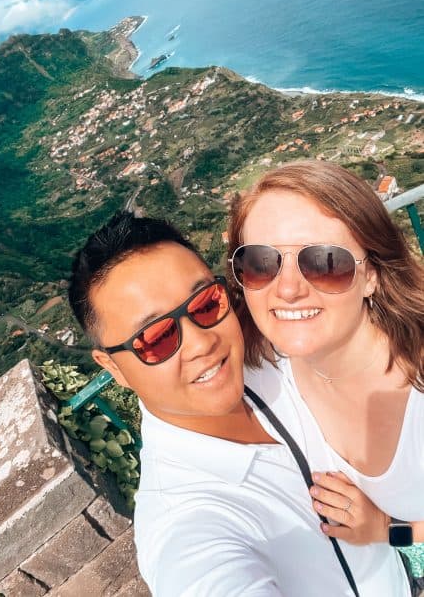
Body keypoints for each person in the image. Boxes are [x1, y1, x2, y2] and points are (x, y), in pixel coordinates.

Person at [68, 211, 410, 597]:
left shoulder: (278, 356)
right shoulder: (182, 524)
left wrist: (387, 528)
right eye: (155, 338)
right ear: (114, 367)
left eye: (205, 304)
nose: (202, 343)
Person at [227, 159, 424, 575]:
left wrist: (386, 529)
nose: (288, 289)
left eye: (324, 262)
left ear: (370, 275)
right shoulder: (260, 372)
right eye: (261, 263)